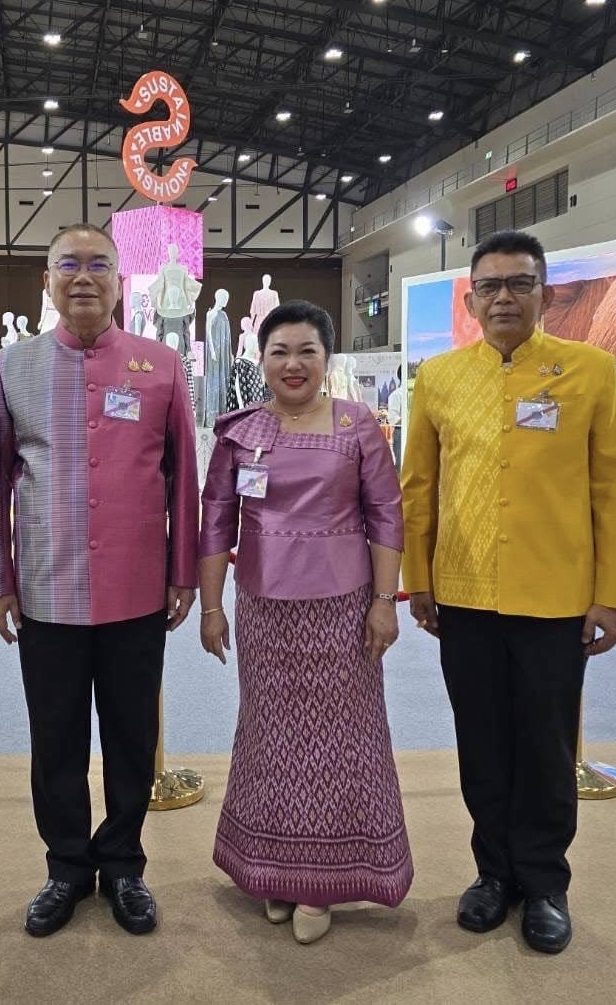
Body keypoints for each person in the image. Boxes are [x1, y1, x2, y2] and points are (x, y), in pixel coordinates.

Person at [401, 229, 616, 955]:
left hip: (555, 596)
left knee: (543, 744)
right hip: (464, 595)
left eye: (518, 283)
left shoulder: (589, 371)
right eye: (489, 286)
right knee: (481, 741)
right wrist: (419, 581)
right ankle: (492, 874)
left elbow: (613, 486)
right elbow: (418, 488)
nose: (503, 296)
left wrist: (611, 594)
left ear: (543, 293)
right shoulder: (438, 378)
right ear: (470, 299)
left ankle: (543, 883)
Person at [0, 222, 199, 938]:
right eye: (65, 265)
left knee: (133, 736)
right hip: (47, 590)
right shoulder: (10, 368)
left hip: (137, 588)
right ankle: (67, 867)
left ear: (118, 280)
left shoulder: (160, 365)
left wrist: (183, 570)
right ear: (46, 281)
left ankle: (124, 865)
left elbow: (182, 478)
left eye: (97, 264)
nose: (81, 277)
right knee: (57, 739)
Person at [199, 300, 411, 945]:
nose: (293, 364)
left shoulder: (357, 427)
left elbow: (386, 514)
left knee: (339, 739)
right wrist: (211, 607)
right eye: (279, 352)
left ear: (326, 359)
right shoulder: (240, 433)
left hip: (343, 608)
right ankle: (273, 872)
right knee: (270, 736)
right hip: (263, 607)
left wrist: (383, 601)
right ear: (260, 361)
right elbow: (214, 523)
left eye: (307, 352)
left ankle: (324, 882)